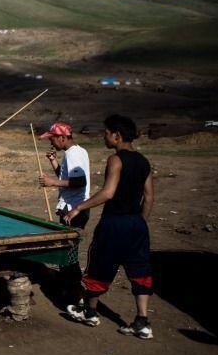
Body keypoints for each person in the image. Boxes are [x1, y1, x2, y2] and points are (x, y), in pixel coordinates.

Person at [65, 115, 154, 339]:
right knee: (139, 270)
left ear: (117, 135)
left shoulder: (115, 159)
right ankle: (142, 321)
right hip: (136, 223)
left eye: (106, 133)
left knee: (99, 265)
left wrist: (78, 208)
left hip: (114, 223)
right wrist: (139, 221)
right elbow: (149, 197)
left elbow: (108, 192)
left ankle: (90, 311)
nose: (104, 136)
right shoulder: (144, 161)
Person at [37, 122, 91, 227]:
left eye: (52, 139)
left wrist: (52, 182)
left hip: (73, 207)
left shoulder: (73, 154)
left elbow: (80, 182)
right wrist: (53, 161)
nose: (51, 143)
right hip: (75, 206)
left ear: (62, 137)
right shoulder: (79, 150)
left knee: (68, 241)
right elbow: (66, 178)